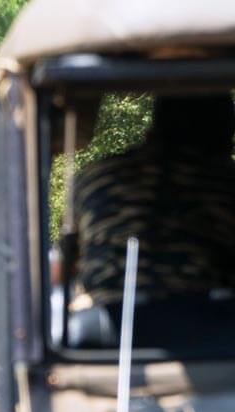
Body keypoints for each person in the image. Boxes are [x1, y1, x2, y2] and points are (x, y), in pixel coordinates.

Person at [74, 94, 235, 306]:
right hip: (207, 319)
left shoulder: (93, 177)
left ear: (152, 131)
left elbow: (72, 257)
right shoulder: (224, 181)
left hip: (109, 315)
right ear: (221, 141)